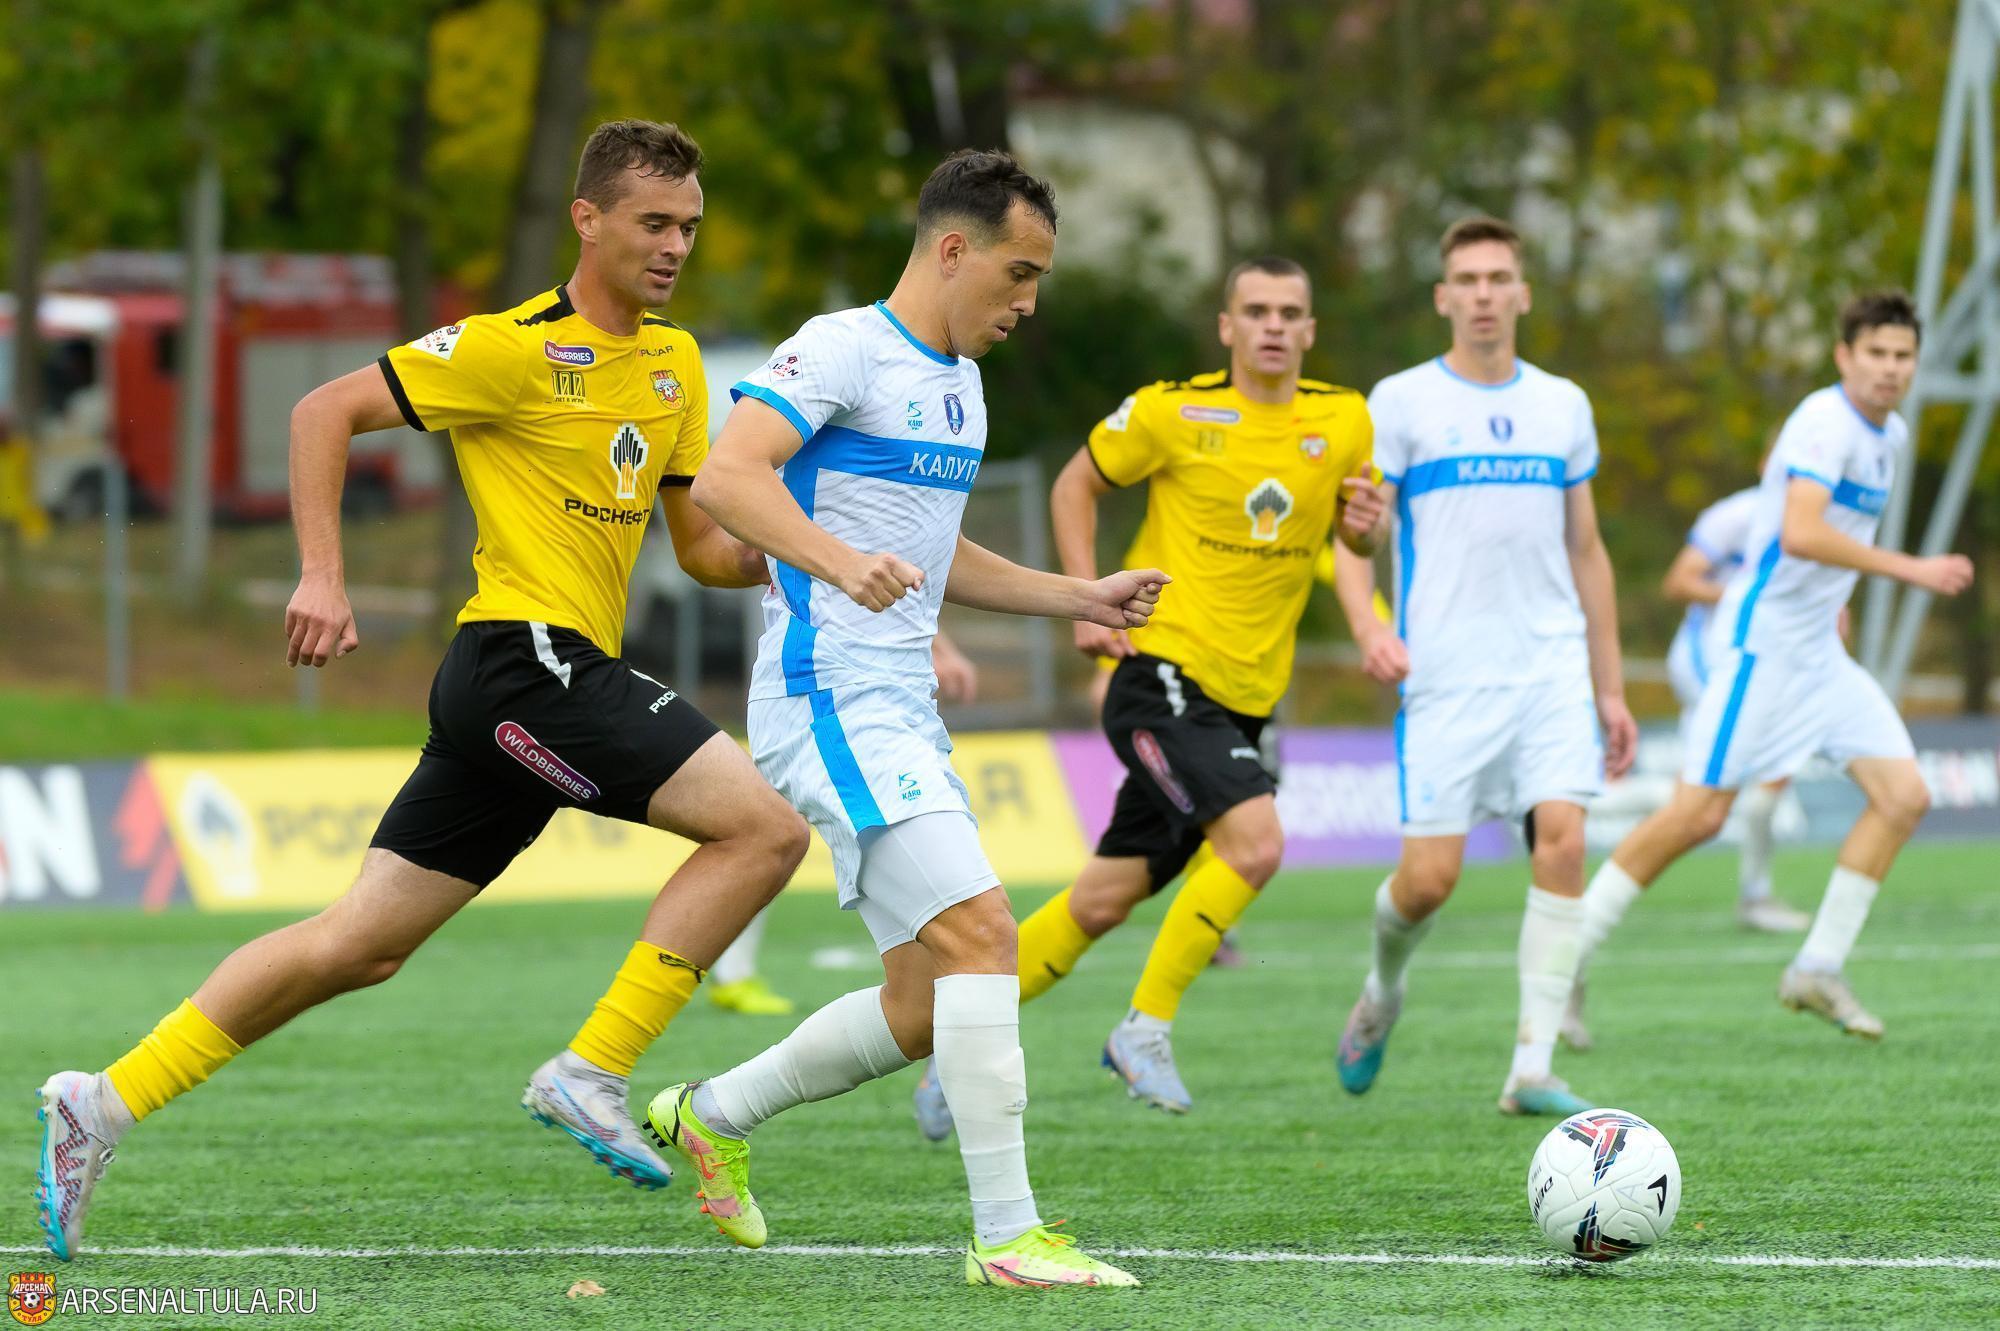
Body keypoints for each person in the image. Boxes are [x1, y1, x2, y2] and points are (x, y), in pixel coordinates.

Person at [33, 120, 808, 1263]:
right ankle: (591, 1069)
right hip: (526, 661)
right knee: (765, 830)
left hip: (535, 683)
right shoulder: (507, 347)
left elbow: (699, 549)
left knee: (358, 944)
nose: (674, 246)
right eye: (653, 222)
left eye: (688, 226)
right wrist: (321, 573)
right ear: (586, 219)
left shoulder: (677, 364)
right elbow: (321, 411)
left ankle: (97, 1102)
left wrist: (802, 556)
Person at [641, 149, 1163, 1289]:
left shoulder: (961, 385)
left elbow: (936, 550)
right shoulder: (840, 347)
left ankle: (711, 1113)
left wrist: (1077, 595)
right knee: (986, 933)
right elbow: (728, 479)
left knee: (923, 1003)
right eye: (1020, 273)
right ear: (954, 249)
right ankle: (1008, 1237)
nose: (1028, 303)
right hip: (827, 696)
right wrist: (836, 561)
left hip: (897, 708)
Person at [912, 254, 1382, 1126]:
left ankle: (957, 1056)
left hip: (1246, 700)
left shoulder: (1346, 420)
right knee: (1256, 844)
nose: (1274, 326)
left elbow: (1354, 539)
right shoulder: (1174, 410)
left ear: (1310, 330)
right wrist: (1088, 600)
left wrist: (1366, 535)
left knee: (1101, 899)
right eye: (1257, 310)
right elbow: (1075, 483)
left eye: (1290, 312)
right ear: (1228, 326)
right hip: (1160, 672)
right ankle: (1145, 1029)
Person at [1566, 291, 1972, 1042]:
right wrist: (1910, 568)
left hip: (1819, 653)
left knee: (1903, 797)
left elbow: (1830, 544)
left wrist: (1840, 601)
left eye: (1903, 356)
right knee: (1698, 815)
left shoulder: (1890, 433)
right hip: (1763, 648)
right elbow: (1802, 532)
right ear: (1844, 356)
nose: (1890, 369)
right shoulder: (1823, 422)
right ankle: (1565, 957)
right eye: (1876, 353)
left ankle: (1817, 967)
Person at [1333, 215, 1638, 1117]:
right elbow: (1353, 536)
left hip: (1549, 669)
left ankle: (1531, 1067)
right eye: (1466, 280)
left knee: (1564, 840)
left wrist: (1610, 687)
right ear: (1443, 297)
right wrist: (1368, 625)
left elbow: (1588, 550)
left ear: (1523, 293)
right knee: (1429, 882)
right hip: (1447, 675)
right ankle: (1383, 989)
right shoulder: (1399, 402)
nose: (1483, 295)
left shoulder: (1563, 404)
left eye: (1499, 278)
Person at [706, 632, 981, 1017]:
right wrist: (941, 650)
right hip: (820, 690)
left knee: (770, 832)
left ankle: (731, 972)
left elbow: (909, 597)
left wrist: (939, 649)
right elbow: (863, 595)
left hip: (845, 690)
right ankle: (724, 971)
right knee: (768, 833)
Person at [1660, 486, 1810, 934]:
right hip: (1711, 659)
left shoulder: (1818, 518)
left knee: (1715, 798)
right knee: (1702, 805)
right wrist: (1748, 596)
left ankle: (1756, 894)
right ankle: (1579, 822)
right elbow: (1678, 581)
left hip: (1762, 661)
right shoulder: (1736, 515)